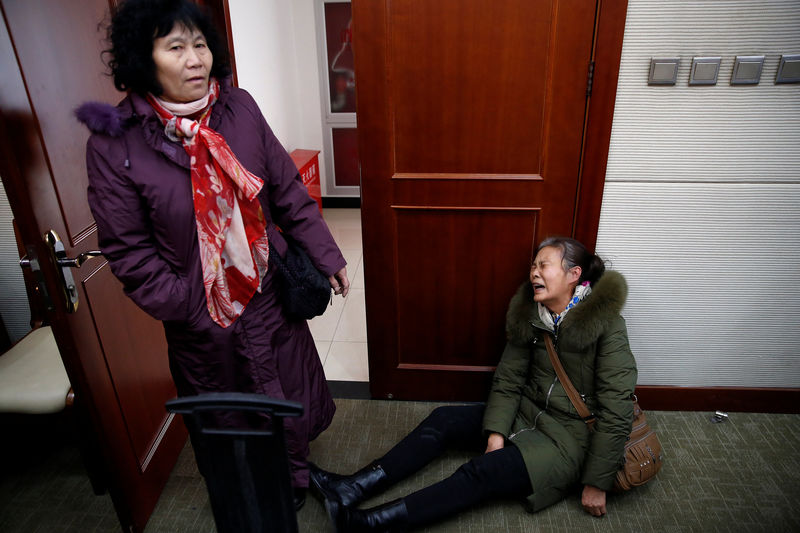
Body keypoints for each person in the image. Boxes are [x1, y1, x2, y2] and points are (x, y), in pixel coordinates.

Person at [76, 0, 349, 510]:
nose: (194, 59)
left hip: (269, 294)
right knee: (235, 420)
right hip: (204, 318)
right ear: (145, 58)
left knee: (287, 392)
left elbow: (286, 188)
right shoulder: (117, 144)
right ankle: (264, 495)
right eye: (175, 47)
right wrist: (191, 307)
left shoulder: (238, 107)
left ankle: (295, 478)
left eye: (199, 44)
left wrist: (326, 256)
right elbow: (129, 253)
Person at [310, 237, 637, 531]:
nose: (534, 272)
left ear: (573, 274)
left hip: (570, 440)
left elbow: (617, 407)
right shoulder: (531, 314)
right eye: (533, 265)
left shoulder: (607, 326)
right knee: (444, 420)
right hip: (528, 411)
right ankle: (353, 487)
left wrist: (597, 481)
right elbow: (509, 379)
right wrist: (496, 433)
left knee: (481, 472)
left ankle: (370, 523)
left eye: (544, 265)